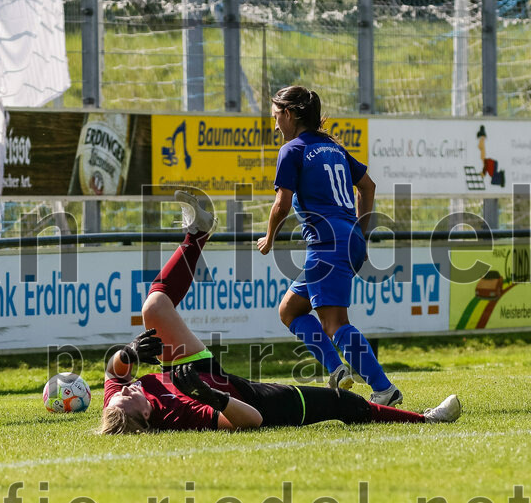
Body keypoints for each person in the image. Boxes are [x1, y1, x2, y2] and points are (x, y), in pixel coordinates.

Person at [99, 193, 460, 434]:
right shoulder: (177, 414)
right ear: (146, 414)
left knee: (154, 308)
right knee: (343, 403)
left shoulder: (116, 401)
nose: (126, 388)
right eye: (128, 396)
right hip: (251, 400)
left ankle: (197, 234)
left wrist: (128, 352)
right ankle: (426, 418)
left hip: (195, 371)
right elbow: (251, 421)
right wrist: (208, 396)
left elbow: (111, 372)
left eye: (120, 392)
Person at [257, 86, 402, 406]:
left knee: (335, 324)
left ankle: (385, 390)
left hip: (327, 245)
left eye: (276, 116)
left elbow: (281, 205)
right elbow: (367, 184)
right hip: (345, 238)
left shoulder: (292, 150)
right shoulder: (331, 147)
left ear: (290, 114)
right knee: (290, 309)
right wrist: (359, 233)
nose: (275, 124)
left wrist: (270, 238)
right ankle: (337, 369)